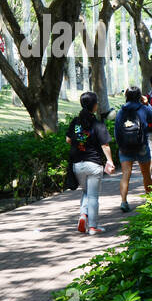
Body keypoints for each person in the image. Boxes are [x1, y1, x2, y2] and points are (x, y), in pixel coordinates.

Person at [66, 91, 116, 235]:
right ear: (94, 105)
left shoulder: (76, 121)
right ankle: (93, 227)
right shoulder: (97, 124)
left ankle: (83, 215)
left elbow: (68, 140)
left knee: (86, 192)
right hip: (93, 164)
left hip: (77, 165)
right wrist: (110, 161)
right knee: (93, 196)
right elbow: (105, 145)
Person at [115, 86, 152, 212]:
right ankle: (150, 199)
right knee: (146, 173)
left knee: (126, 174)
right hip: (142, 145)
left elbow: (117, 131)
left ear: (126, 96)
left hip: (125, 147)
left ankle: (124, 202)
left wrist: (120, 146)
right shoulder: (143, 108)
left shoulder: (121, 111)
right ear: (139, 96)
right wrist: (147, 104)